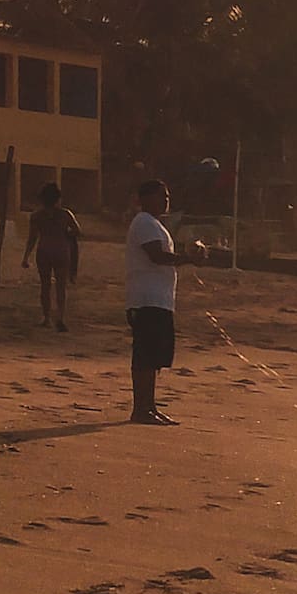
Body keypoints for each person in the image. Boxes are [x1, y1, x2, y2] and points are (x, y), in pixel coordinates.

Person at [125, 178, 182, 426]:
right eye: (162, 196)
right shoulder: (144, 222)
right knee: (145, 357)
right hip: (146, 299)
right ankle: (141, 409)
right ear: (145, 198)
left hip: (160, 300)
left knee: (154, 357)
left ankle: (150, 406)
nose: (165, 201)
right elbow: (157, 256)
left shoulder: (156, 225)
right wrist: (188, 258)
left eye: (167, 196)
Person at [22, 181, 82, 332]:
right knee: (61, 286)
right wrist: (66, 235)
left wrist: (26, 257)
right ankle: (60, 317)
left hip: (44, 251)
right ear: (58, 198)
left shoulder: (37, 216)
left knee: (45, 286)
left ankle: (46, 317)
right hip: (61, 251)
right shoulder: (65, 214)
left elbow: (32, 237)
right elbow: (77, 231)